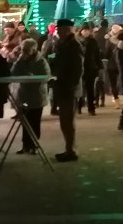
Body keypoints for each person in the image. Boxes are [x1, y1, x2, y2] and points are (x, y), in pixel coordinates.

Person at [50, 19, 84, 162]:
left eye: (59, 29)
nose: (57, 32)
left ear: (67, 30)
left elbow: (77, 69)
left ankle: (71, 150)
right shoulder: (64, 45)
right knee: (65, 121)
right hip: (64, 86)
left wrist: (70, 85)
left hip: (68, 88)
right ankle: (68, 149)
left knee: (68, 121)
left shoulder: (73, 46)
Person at [10, 38, 50, 154]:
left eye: (27, 50)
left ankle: (34, 145)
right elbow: (13, 73)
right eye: (23, 50)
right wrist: (18, 61)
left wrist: (33, 77)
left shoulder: (41, 61)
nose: (24, 52)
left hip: (37, 95)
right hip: (24, 95)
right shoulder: (21, 61)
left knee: (35, 121)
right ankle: (25, 145)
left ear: (34, 50)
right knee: (25, 122)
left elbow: (46, 77)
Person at [78, 23, 102, 115]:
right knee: (80, 88)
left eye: (87, 31)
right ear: (81, 31)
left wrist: (99, 65)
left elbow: (97, 55)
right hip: (80, 68)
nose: (85, 32)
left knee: (90, 89)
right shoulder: (77, 41)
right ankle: (79, 106)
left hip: (90, 68)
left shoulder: (93, 41)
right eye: (84, 30)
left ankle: (91, 108)